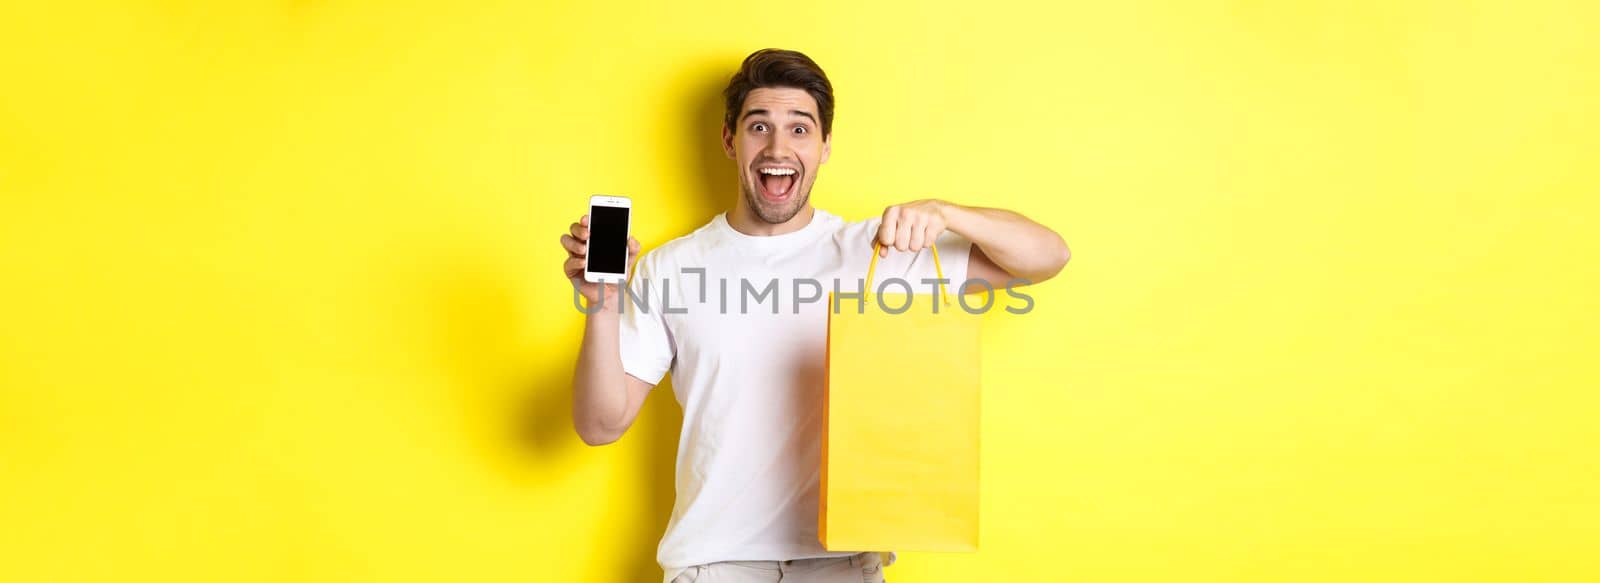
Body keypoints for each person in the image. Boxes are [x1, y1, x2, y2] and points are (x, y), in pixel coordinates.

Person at [559, 48, 1070, 583]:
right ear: (731, 141)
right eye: (759, 126)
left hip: (844, 566)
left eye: (800, 130)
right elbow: (599, 424)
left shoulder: (880, 253)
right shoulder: (672, 267)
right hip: (712, 566)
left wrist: (946, 212)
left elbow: (1048, 255)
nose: (778, 147)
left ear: (825, 146)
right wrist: (601, 305)